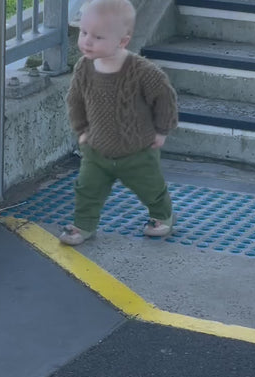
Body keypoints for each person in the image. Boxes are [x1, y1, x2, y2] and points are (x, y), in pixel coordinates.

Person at [60, 0, 178, 246]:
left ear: (122, 41)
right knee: (87, 189)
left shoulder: (141, 71)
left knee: (151, 188)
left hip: (137, 150)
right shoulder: (84, 67)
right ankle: (84, 225)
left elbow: (165, 96)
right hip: (97, 150)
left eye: (98, 37)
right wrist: (81, 130)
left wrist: (161, 130)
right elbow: (75, 100)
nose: (87, 41)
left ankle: (162, 216)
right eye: (83, 33)